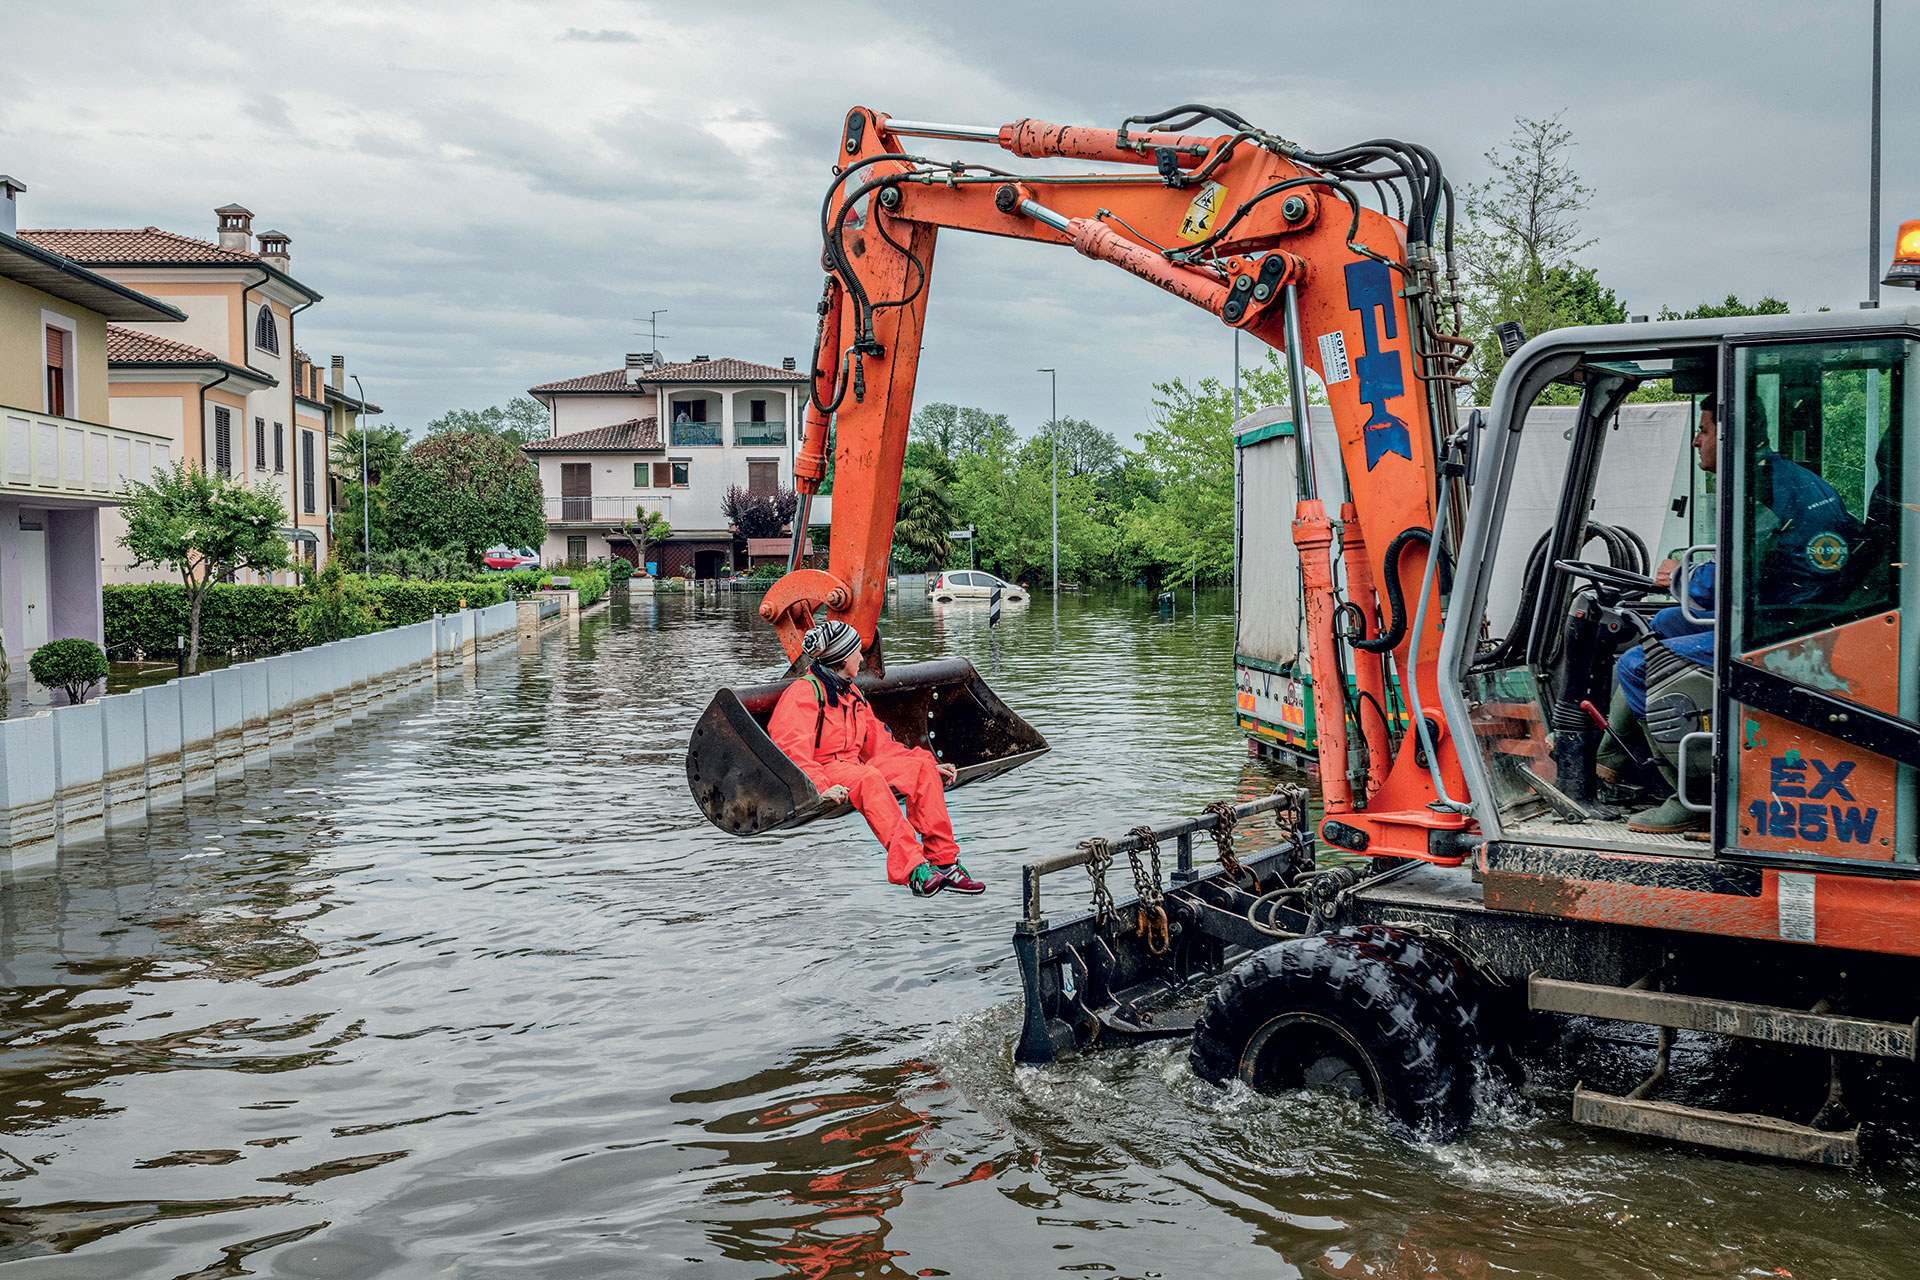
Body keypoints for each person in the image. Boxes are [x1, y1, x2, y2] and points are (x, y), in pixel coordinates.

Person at [1604, 394, 1860, 832]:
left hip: (1785, 630)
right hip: (1793, 611)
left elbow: (1726, 581)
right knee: (1664, 623)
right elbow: (1749, 564)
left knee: (1636, 664)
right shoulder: (1783, 480)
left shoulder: (1762, 491)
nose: (1695, 443)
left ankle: (1691, 796)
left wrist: (1679, 576)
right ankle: (1610, 757)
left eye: (1702, 432)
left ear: (1730, 435)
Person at [767, 620, 984, 897]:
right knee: (869, 778)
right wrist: (820, 787)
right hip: (825, 769)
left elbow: (880, 744)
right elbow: (791, 751)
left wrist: (928, 764)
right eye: (857, 652)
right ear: (842, 658)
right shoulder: (803, 693)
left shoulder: (852, 693)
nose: (862, 658)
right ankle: (914, 870)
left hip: (854, 765)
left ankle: (944, 863)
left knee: (919, 769)